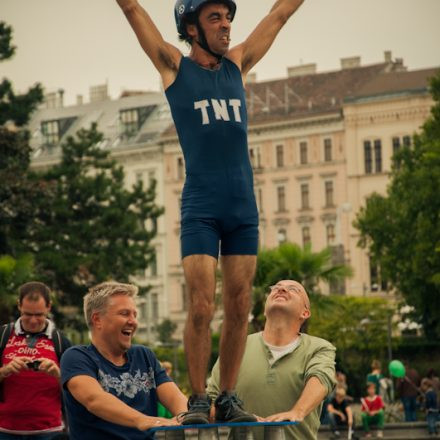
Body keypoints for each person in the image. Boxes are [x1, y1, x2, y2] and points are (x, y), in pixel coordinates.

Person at [116, 0, 305, 424]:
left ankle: (229, 396)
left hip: (242, 207)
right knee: (201, 304)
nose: (227, 26)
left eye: (228, 17)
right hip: (201, 205)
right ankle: (199, 398)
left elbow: (278, 15)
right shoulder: (174, 69)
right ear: (192, 28)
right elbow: (131, 9)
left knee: (240, 305)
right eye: (215, 18)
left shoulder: (237, 64)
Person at [207, 280, 336, 439]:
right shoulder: (235, 348)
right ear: (264, 311)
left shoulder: (319, 347)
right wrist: (231, 415)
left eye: (293, 289)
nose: (281, 289)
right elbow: (211, 403)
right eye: (275, 287)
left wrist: (297, 412)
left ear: (305, 313)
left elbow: (321, 380)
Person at [60, 282, 187, 440]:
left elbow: (175, 397)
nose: (133, 321)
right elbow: (94, 400)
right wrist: (144, 421)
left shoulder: (144, 355)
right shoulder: (76, 357)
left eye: (135, 315)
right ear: (97, 319)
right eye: (124, 313)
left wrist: (185, 417)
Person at [0, 281, 71, 439]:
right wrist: (5, 370)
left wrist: (58, 374)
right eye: (27, 314)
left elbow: (77, 389)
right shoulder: (3, 336)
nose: (33, 321)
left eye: (39, 315)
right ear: (19, 306)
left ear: (49, 307)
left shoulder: (61, 341)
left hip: (50, 432)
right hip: (4, 430)